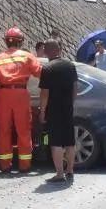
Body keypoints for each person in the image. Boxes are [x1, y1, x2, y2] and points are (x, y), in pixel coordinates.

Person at [0, 27, 42, 173]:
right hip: (21, 94)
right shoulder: (27, 56)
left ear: (6, 42)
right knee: (24, 131)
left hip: (3, 95)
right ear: (20, 42)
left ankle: (5, 166)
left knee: (3, 131)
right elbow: (41, 73)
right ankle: (24, 166)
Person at [38, 39, 78, 183]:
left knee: (56, 142)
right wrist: (71, 104)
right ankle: (70, 170)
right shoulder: (70, 65)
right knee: (69, 141)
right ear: (59, 50)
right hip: (67, 108)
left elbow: (44, 94)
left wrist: (42, 112)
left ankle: (60, 174)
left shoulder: (47, 68)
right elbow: (75, 88)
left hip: (53, 110)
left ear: (46, 51)